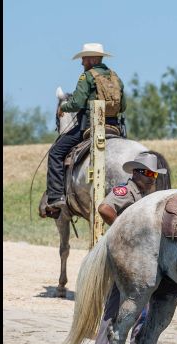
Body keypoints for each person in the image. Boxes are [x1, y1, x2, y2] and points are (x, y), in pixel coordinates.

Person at [87, 152, 166, 344]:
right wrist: (122, 230)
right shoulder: (125, 191)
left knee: (144, 301)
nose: (152, 178)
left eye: (155, 174)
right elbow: (105, 208)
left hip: (137, 259)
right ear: (136, 173)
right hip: (123, 257)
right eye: (148, 173)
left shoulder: (142, 195)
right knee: (115, 305)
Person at [43, 43, 126, 219]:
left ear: (93, 59)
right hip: (115, 127)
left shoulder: (87, 77)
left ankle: (56, 197)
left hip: (90, 126)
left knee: (55, 153)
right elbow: (123, 106)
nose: (82, 62)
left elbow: (77, 103)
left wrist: (64, 106)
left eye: (84, 58)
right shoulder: (115, 77)